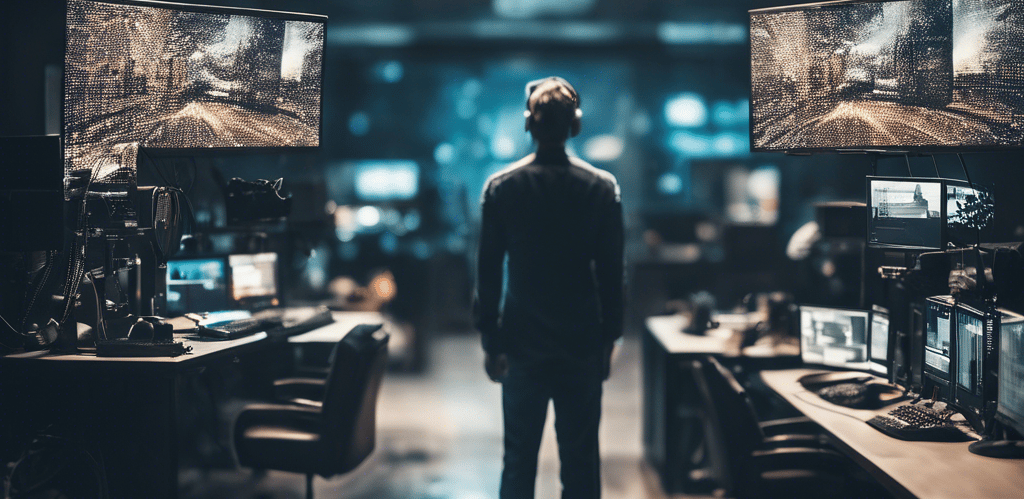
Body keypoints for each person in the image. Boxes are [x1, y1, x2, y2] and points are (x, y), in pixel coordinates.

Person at [473, 76, 624, 499]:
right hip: (581, 343)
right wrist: (609, 339)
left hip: (522, 343)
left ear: (529, 124)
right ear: (575, 125)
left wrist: (491, 339)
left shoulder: (500, 188)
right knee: (580, 461)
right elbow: (612, 274)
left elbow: (488, 272)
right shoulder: (602, 188)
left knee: (518, 459)